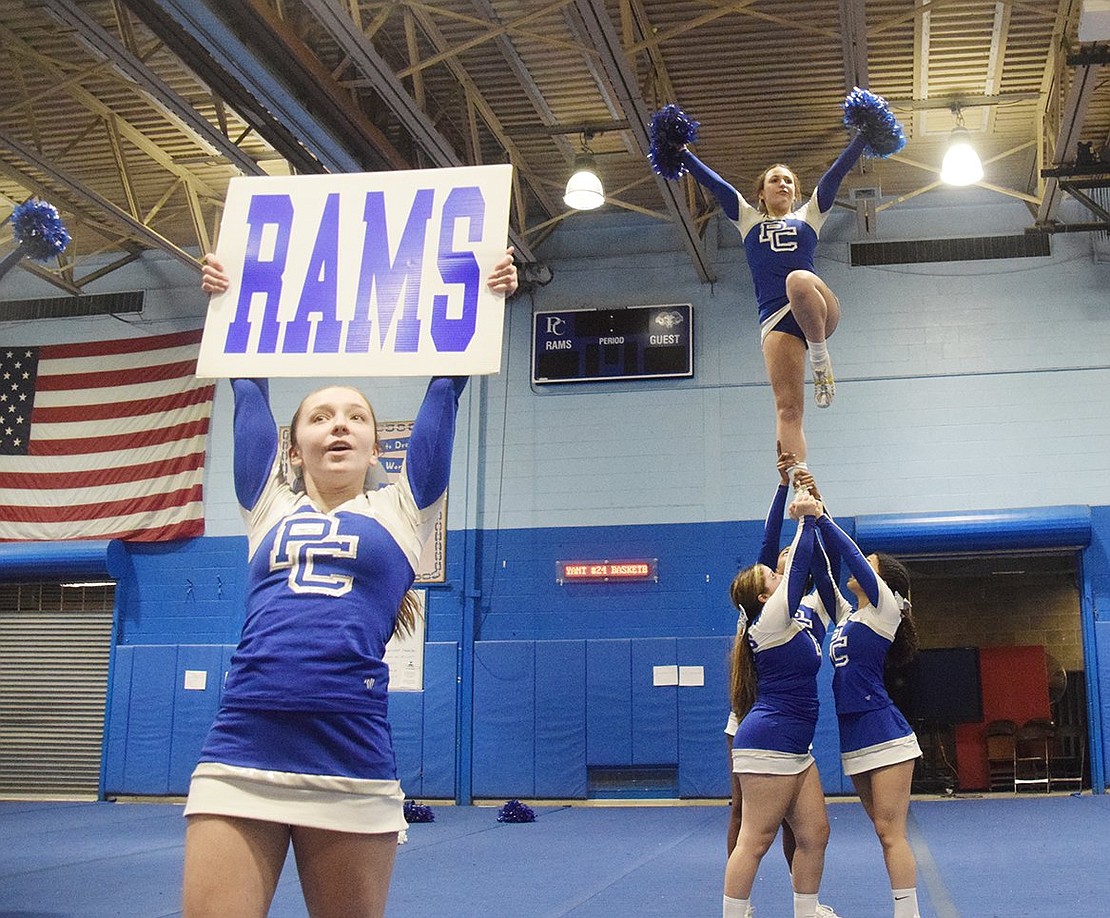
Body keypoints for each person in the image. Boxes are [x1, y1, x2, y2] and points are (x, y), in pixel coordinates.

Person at [182, 249, 517, 918]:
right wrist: (227, 301)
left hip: (349, 751)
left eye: (355, 416)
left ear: (375, 445)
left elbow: (447, 387)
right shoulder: (265, 505)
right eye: (320, 416)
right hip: (241, 743)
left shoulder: (401, 510)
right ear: (293, 444)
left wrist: (485, 300)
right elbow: (246, 384)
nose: (338, 423)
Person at [649, 91, 904, 476]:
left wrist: (863, 137)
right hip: (775, 321)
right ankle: (798, 478)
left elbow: (835, 175)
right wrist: (679, 152)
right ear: (761, 192)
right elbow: (715, 185)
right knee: (787, 408)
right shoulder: (747, 220)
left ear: (796, 192)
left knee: (798, 278)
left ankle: (820, 361)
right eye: (774, 180)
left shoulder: (810, 216)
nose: (782, 184)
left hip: (816, 307)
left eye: (788, 181)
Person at [724, 456, 842, 918]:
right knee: (755, 838)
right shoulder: (766, 620)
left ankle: (806, 911)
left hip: (797, 745)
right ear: (762, 594)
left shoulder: (802, 616)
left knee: (815, 834)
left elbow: (818, 571)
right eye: (772, 573)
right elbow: (790, 559)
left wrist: (802, 497)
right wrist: (804, 512)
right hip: (768, 739)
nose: (778, 568)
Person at [808, 510, 923, 918]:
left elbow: (852, 557)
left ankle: (908, 914)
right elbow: (825, 575)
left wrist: (822, 518)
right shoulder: (849, 615)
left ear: (883, 583)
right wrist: (813, 513)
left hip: (884, 732)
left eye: (868, 565)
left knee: (891, 833)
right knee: (881, 830)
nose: (859, 566)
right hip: (853, 733)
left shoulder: (885, 609)